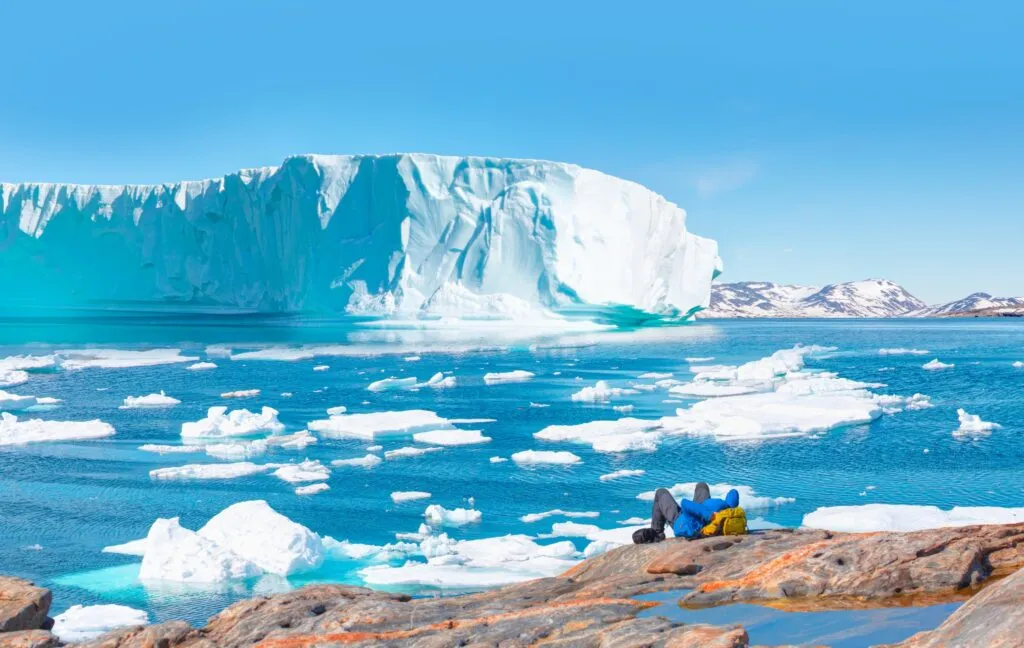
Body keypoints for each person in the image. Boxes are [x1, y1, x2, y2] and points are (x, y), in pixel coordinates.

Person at [637, 482, 741, 543]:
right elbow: (734, 494)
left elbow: (685, 504)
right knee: (702, 485)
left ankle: (656, 533)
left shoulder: (717, 511)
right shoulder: (728, 510)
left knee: (660, 492)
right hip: (701, 517)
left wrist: (710, 515)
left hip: (683, 523)